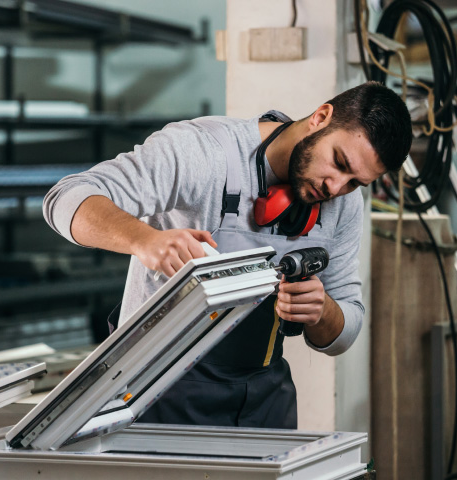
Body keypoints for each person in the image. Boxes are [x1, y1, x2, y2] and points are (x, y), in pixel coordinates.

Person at [43, 80, 412, 429]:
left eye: (355, 183)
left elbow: (347, 328)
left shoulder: (343, 205)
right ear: (320, 118)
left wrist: (323, 310)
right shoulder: (204, 151)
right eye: (340, 163)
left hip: (262, 395)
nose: (335, 188)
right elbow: (66, 198)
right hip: (156, 389)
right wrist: (144, 239)